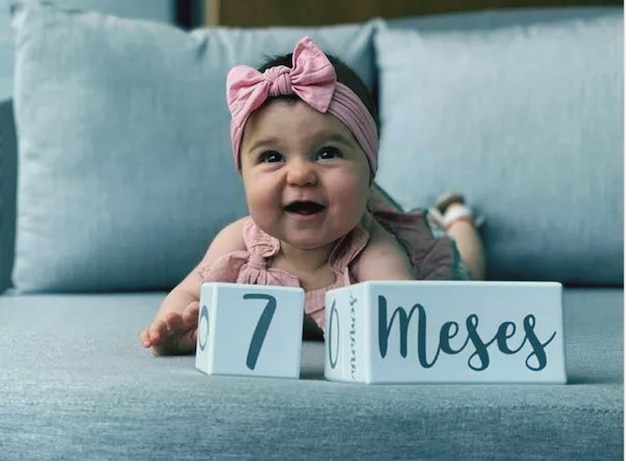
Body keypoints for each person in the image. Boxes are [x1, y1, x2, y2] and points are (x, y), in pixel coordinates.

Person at [140, 37, 485, 355]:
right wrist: (174, 328)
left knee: (468, 268)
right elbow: (186, 293)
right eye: (272, 157)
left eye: (327, 153)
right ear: (243, 176)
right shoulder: (238, 243)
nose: (300, 174)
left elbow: (403, 321)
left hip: (423, 267)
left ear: (369, 171)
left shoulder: (372, 250)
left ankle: (459, 216)